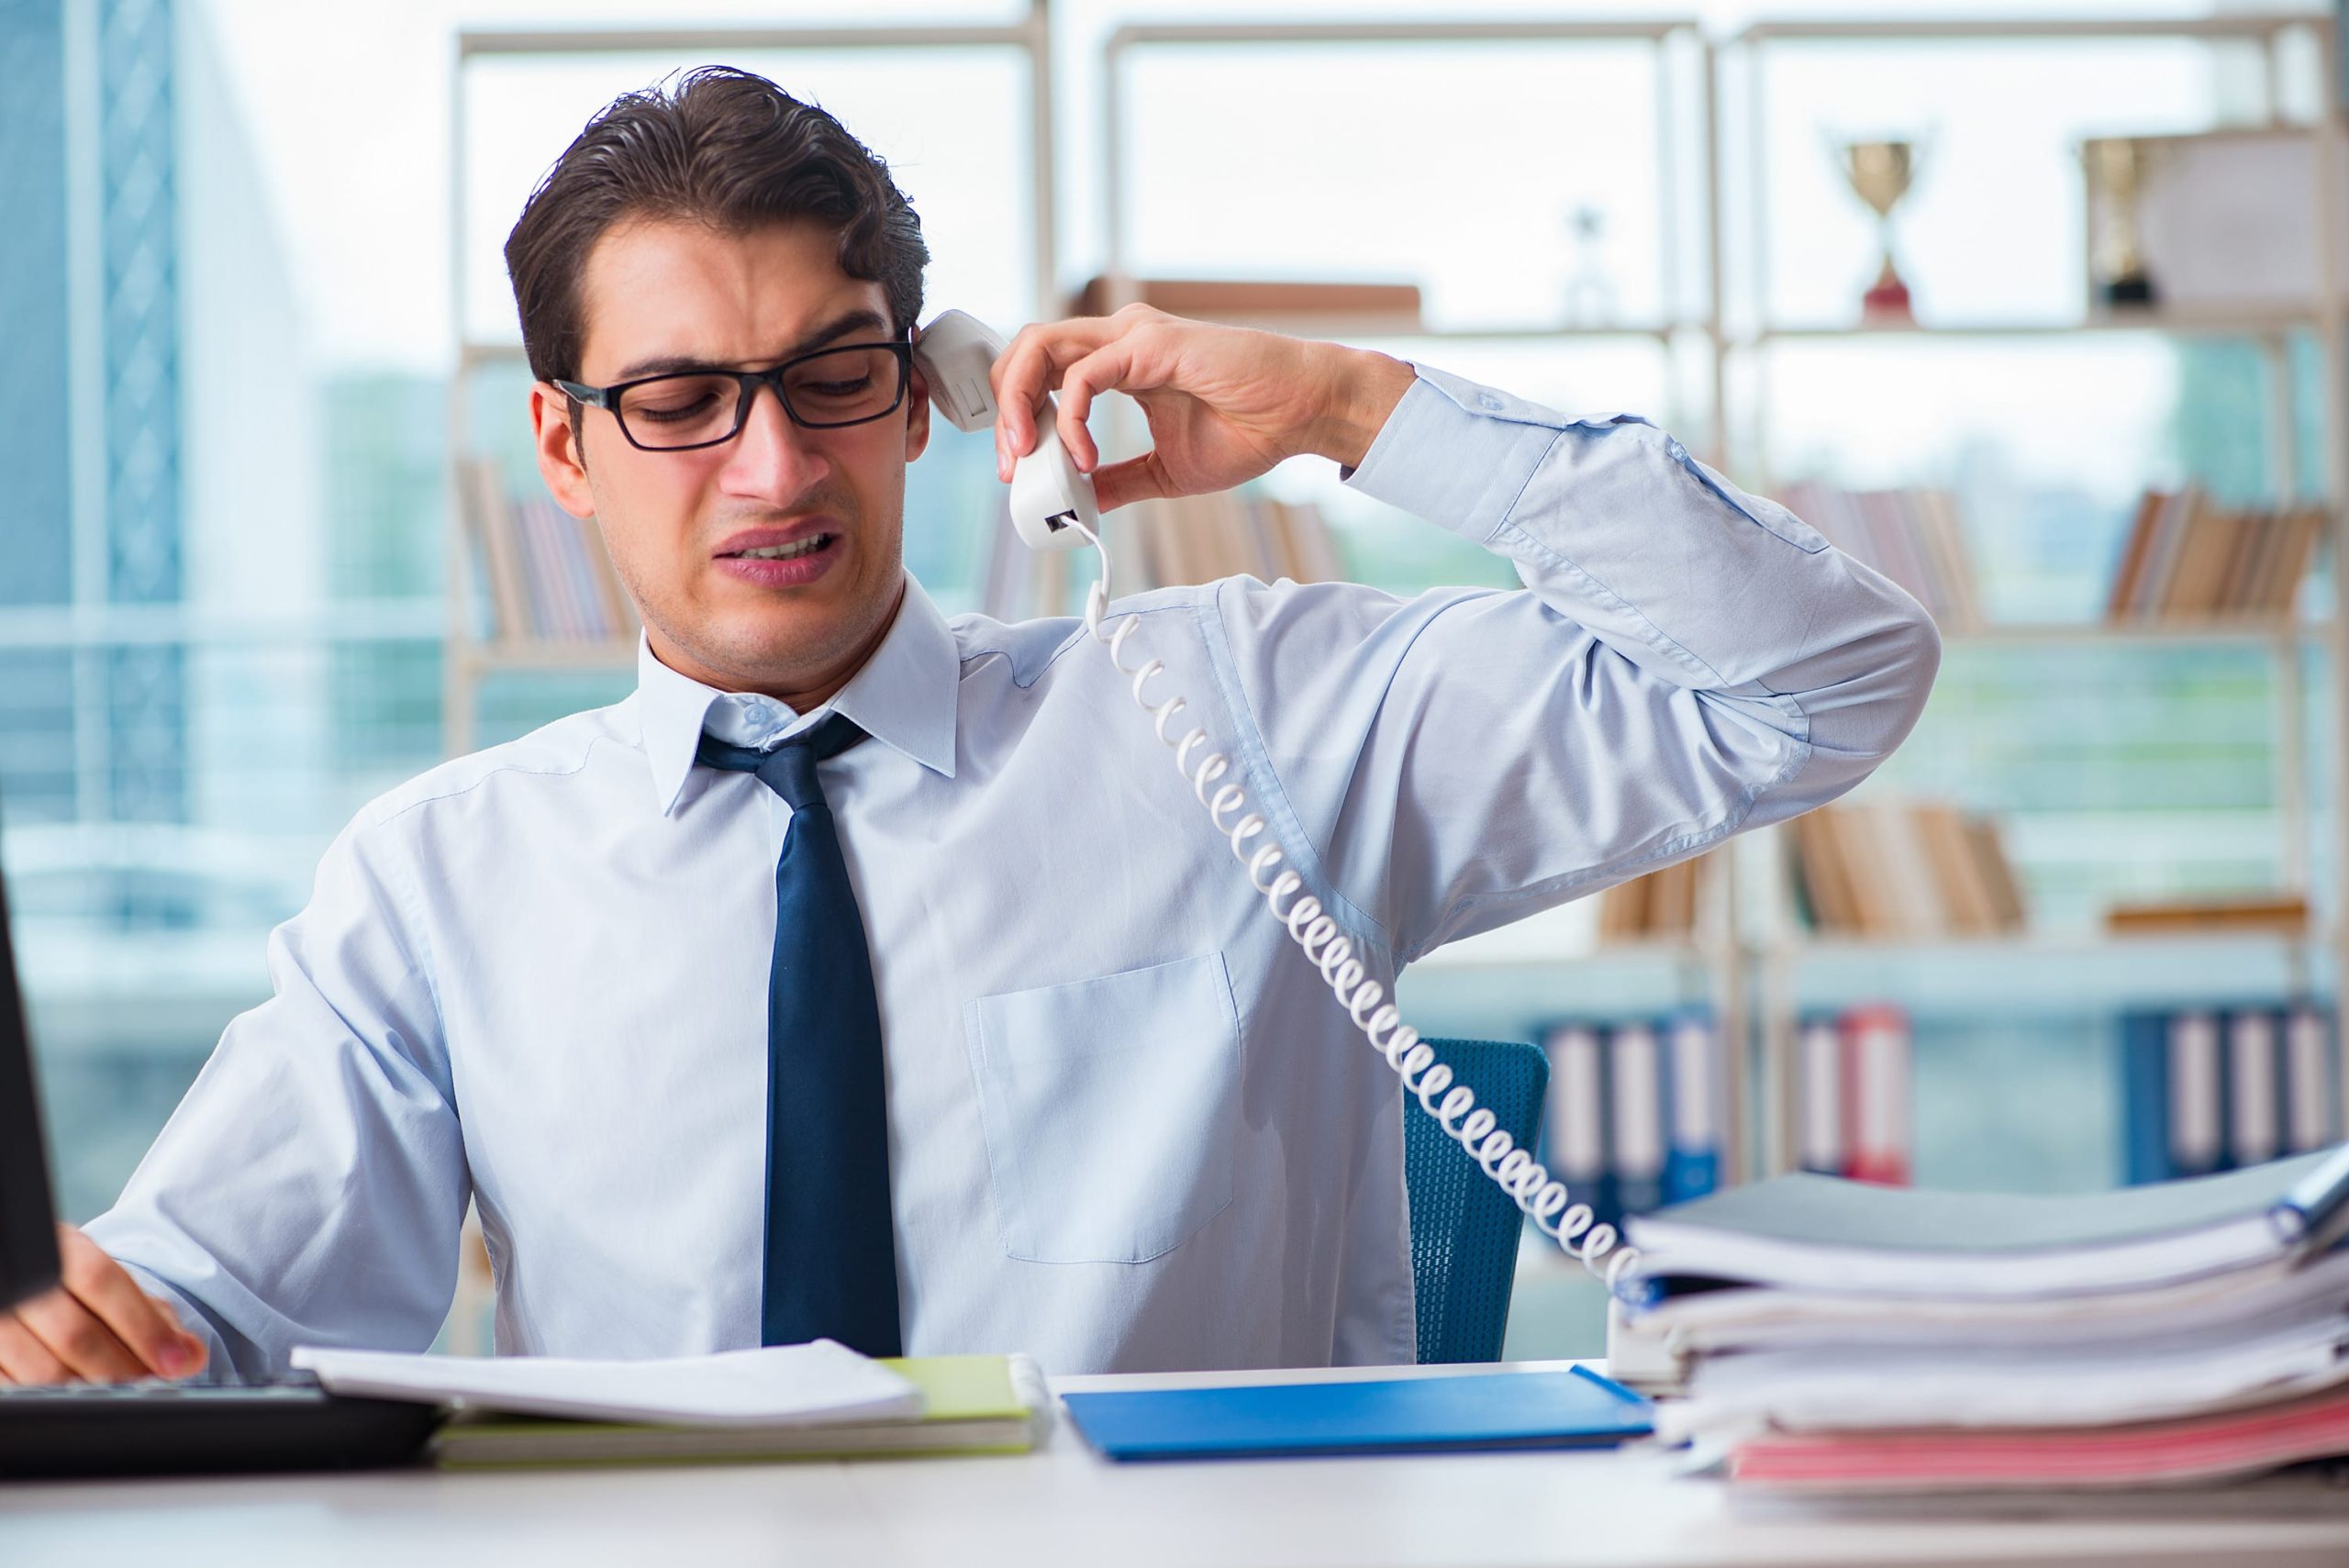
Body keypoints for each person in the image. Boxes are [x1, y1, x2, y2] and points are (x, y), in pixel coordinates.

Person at [7, 66, 1937, 1386]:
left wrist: (1353, 408)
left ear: (927, 394)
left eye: (831, 374)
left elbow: (1815, 678)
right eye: (679, 397)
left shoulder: (1235, 714)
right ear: (562, 449)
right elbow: (195, 1316)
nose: (773, 461)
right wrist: (83, 1331)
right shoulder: (440, 881)